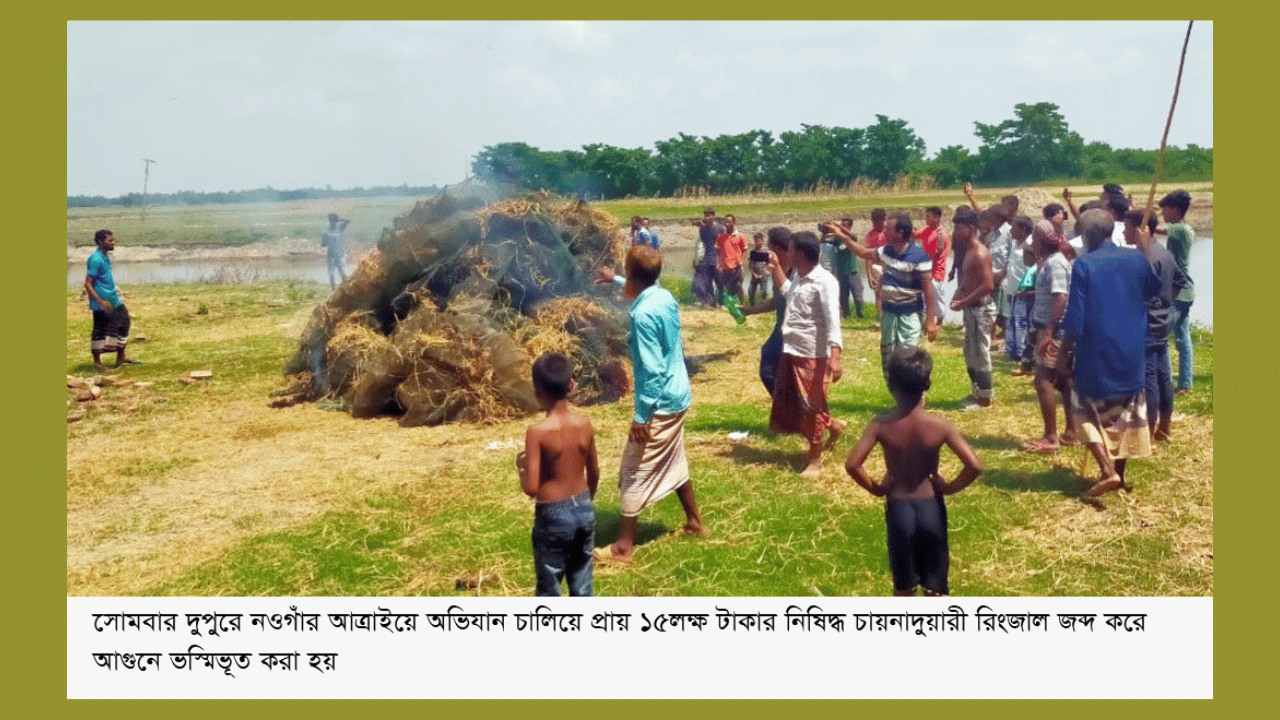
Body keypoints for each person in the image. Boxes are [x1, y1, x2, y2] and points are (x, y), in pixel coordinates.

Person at [594, 246, 707, 561]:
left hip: (661, 403)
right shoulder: (664, 296)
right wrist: (614, 278)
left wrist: (643, 417)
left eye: (624, 271)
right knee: (674, 460)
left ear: (632, 273)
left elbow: (654, 372)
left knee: (634, 469)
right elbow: (641, 286)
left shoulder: (642, 315)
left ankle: (623, 547)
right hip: (679, 394)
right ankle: (695, 522)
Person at [843, 347, 983, 597]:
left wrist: (877, 489)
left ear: (891, 384)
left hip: (899, 508)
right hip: (931, 506)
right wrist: (949, 487)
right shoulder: (940, 426)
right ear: (927, 383)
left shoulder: (880, 426)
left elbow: (853, 464)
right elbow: (975, 465)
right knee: (936, 587)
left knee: (904, 587)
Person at [1058, 209, 1161, 497]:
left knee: (1082, 407)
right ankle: (1120, 475)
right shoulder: (1136, 258)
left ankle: (1106, 470)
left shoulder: (1084, 264)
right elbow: (1155, 289)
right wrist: (1143, 250)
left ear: (1087, 235)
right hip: (1131, 349)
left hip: (1095, 351)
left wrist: (1063, 357)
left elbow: (1075, 319)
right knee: (1126, 413)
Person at [517, 353, 599, 596]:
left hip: (553, 514)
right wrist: (587, 502)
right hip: (584, 507)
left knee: (549, 586)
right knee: (582, 583)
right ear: (571, 385)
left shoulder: (537, 432)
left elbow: (532, 487)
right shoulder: (584, 424)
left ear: (536, 390)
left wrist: (521, 467)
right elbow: (594, 472)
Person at [765, 231, 845, 477]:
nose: (785, 254)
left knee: (812, 406)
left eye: (788, 250)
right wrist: (776, 268)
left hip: (813, 353)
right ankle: (835, 427)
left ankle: (815, 461)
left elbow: (833, 320)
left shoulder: (825, 282)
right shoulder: (800, 277)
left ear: (799, 254)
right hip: (792, 350)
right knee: (798, 403)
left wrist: (835, 355)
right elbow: (788, 291)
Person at [827, 214, 937, 380]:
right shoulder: (885, 251)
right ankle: (898, 398)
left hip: (910, 315)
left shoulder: (919, 256)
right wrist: (842, 236)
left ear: (900, 233)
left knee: (910, 357)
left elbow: (928, 291)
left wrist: (930, 322)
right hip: (889, 314)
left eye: (888, 229)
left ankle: (916, 397)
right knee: (889, 357)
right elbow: (863, 252)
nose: (884, 232)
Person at [1124, 208, 1187, 443]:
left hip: (1149, 322)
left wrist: (1157, 302)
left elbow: (1174, 281)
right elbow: (1179, 281)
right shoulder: (1164, 252)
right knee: (1163, 375)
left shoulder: (1146, 255)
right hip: (1163, 319)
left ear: (1142, 229)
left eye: (1127, 227)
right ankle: (1165, 428)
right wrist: (1165, 302)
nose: (1124, 230)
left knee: (1149, 377)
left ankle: (1150, 433)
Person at [1024, 220, 1076, 454]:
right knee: (1064, 380)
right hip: (1052, 326)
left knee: (1042, 380)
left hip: (1055, 329)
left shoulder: (1055, 263)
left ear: (1042, 241)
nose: (1031, 242)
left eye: (1034, 238)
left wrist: (1048, 331)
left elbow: (1060, 298)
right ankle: (1072, 432)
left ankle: (1051, 436)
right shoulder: (1047, 262)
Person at [948, 207, 996, 409]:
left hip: (981, 310)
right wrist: (957, 295)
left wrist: (963, 301)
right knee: (970, 351)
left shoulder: (980, 252)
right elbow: (967, 281)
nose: (956, 233)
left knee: (980, 352)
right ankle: (976, 392)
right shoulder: (967, 251)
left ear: (970, 227)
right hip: (971, 309)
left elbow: (988, 285)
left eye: (959, 228)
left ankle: (984, 398)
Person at [741, 227, 795, 394]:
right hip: (781, 327)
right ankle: (784, 405)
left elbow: (792, 296)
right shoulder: (775, 269)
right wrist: (751, 310)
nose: (766, 251)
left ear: (777, 249)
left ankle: (791, 408)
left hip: (795, 330)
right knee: (768, 368)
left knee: (784, 372)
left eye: (769, 247)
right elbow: (777, 301)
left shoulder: (797, 272)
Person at [84, 229, 139, 372]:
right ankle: (97, 364)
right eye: (110, 241)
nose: (113, 243)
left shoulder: (105, 256)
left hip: (113, 299)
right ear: (101, 242)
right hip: (102, 302)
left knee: (123, 323)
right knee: (100, 330)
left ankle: (121, 358)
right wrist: (99, 301)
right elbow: (88, 283)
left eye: (113, 240)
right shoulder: (95, 259)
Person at [1159, 190, 1196, 394]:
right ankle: (1185, 383)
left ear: (1175, 210)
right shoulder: (1184, 228)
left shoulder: (1180, 229)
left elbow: (1156, 229)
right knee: (1183, 338)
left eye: (1164, 208)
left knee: (1162, 336)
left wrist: (1137, 217)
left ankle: (1166, 382)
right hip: (1184, 291)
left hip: (1179, 292)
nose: (1162, 212)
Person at [1001, 216, 1034, 363]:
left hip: (1025, 294)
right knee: (1013, 323)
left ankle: (1022, 355)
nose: (1011, 231)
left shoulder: (1031, 245)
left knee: (1023, 325)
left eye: (1014, 228)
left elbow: (1032, 270)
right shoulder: (1015, 244)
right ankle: (1012, 351)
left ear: (1023, 230)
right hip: (1013, 292)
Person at [914, 207, 948, 326]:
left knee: (937, 296)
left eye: (930, 216)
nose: (927, 219)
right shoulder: (926, 229)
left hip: (936, 270)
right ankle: (927, 320)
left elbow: (937, 255)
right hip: (925, 267)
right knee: (925, 296)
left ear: (937, 218)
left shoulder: (940, 234)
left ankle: (939, 321)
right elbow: (915, 235)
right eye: (927, 216)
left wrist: (931, 271)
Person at [832, 217, 864, 319]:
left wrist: (838, 227)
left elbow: (852, 236)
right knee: (843, 297)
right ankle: (847, 316)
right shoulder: (837, 240)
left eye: (845, 225)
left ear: (849, 227)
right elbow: (824, 242)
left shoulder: (852, 238)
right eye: (842, 225)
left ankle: (860, 315)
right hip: (841, 272)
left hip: (852, 271)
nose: (843, 227)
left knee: (858, 296)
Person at [690, 207, 724, 306]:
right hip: (707, 258)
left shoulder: (720, 229)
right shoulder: (703, 230)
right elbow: (701, 244)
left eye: (709, 215)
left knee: (720, 283)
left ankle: (722, 303)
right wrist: (698, 258)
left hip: (718, 259)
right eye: (706, 216)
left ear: (714, 216)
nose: (707, 217)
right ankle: (711, 302)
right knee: (708, 283)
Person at [863, 209, 888, 326]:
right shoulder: (870, 235)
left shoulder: (889, 233)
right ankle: (881, 319)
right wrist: (869, 275)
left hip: (889, 266)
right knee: (878, 294)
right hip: (876, 267)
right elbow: (867, 257)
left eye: (880, 221)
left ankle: (890, 317)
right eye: (875, 222)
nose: (877, 224)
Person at [715, 214, 748, 302]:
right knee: (726, 286)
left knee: (738, 285)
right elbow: (718, 251)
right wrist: (718, 264)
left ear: (734, 222)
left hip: (737, 266)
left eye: (729, 222)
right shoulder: (721, 237)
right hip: (725, 266)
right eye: (726, 221)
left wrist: (741, 262)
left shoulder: (740, 236)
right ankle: (727, 304)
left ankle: (742, 304)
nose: (727, 223)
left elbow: (744, 250)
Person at [322, 213, 350, 289]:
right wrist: (326, 241)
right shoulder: (326, 231)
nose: (333, 223)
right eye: (332, 221)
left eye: (335, 221)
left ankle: (345, 289)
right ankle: (333, 291)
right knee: (331, 275)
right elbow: (323, 244)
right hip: (331, 256)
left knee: (343, 273)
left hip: (340, 255)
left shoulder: (340, 228)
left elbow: (348, 221)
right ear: (330, 221)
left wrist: (339, 219)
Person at [747, 231, 771, 306]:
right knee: (750, 291)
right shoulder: (753, 252)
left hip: (763, 275)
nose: (757, 242)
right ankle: (752, 307)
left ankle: (763, 307)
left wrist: (766, 272)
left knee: (763, 292)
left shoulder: (766, 251)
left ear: (762, 240)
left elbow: (769, 263)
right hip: (754, 275)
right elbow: (750, 264)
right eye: (755, 240)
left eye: (758, 240)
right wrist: (753, 273)